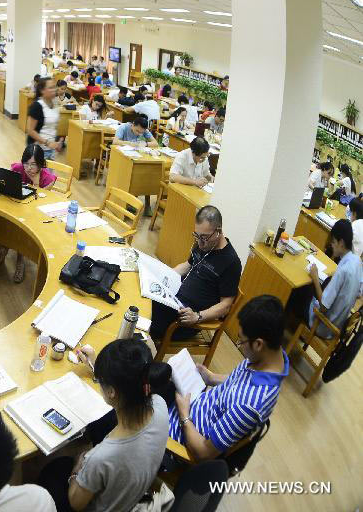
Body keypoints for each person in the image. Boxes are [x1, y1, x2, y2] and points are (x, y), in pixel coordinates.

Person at [38, 338, 169, 512]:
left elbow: (76, 503)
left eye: (101, 381)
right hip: (134, 491)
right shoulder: (159, 404)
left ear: (111, 391)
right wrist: (99, 368)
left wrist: (77, 470)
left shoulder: (101, 458)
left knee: (54, 469)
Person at [170, 295, 289, 461]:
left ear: (258, 344)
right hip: (195, 406)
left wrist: (184, 415)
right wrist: (210, 377)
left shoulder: (249, 404)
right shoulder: (270, 357)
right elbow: (238, 381)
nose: (239, 344)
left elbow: (203, 452)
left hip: (179, 438)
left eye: (241, 341)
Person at [149, 205, 242, 341]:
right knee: (145, 296)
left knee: (145, 313)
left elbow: (226, 305)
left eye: (204, 237)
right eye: (196, 235)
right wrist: (161, 275)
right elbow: (186, 266)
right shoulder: (202, 242)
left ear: (218, 231)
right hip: (174, 299)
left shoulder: (231, 261)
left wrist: (197, 316)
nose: (200, 242)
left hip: (186, 318)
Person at [0, 144, 58, 283]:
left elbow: (39, 202)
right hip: (16, 207)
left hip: (35, 214)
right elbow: (6, 185)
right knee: (6, 219)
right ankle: (5, 246)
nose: (29, 168)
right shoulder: (17, 169)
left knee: (23, 225)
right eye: (26, 163)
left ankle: (21, 258)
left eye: (34, 165)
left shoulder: (48, 179)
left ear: (41, 164)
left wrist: (35, 181)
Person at [307, 218, 362, 339]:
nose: (331, 245)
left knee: (301, 292)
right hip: (338, 324)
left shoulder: (343, 270)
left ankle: (301, 334)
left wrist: (315, 277)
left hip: (324, 325)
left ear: (341, 242)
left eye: (333, 241)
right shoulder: (357, 261)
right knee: (324, 283)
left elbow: (323, 307)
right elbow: (358, 294)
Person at [26, 78, 62, 160]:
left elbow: (53, 126)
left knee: (48, 173)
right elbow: (30, 130)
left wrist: (57, 141)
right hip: (37, 150)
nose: (54, 89)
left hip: (51, 149)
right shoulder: (37, 106)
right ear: (42, 90)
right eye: (50, 87)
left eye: (54, 87)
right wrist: (47, 142)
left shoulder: (55, 104)